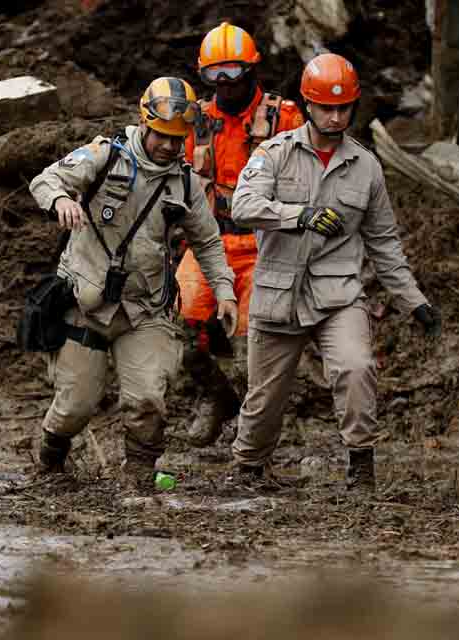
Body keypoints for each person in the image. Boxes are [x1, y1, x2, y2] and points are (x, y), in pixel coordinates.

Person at [229, 53, 442, 492]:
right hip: (279, 292)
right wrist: (298, 215)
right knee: (265, 396)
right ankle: (249, 468)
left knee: (356, 367)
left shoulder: (366, 167)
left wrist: (414, 301)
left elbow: (384, 243)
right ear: (308, 104)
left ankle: (361, 467)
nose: (336, 116)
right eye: (327, 107)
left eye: (344, 108)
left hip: (338, 294)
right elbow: (242, 207)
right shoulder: (274, 154)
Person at [28, 77, 237, 491]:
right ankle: (50, 462)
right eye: (162, 136)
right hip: (85, 305)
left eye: (178, 139)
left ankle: (139, 478)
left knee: (147, 400)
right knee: (74, 406)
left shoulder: (186, 183)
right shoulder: (105, 155)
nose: (169, 146)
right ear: (144, 123)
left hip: (145, 307)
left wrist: (225, 292)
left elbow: (209, 242)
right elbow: (45, 180)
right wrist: (62, 200)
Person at [177, 22, 305, 447]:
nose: (224, 83)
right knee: (180, 327)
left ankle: (255, 432)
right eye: (215, 75)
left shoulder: (284, 117)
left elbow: (308, 180)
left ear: (252, 71)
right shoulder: (194, 121)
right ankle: (217, 398)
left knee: (255, 345)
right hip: (209, 241)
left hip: (264, 245)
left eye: (232, 72)